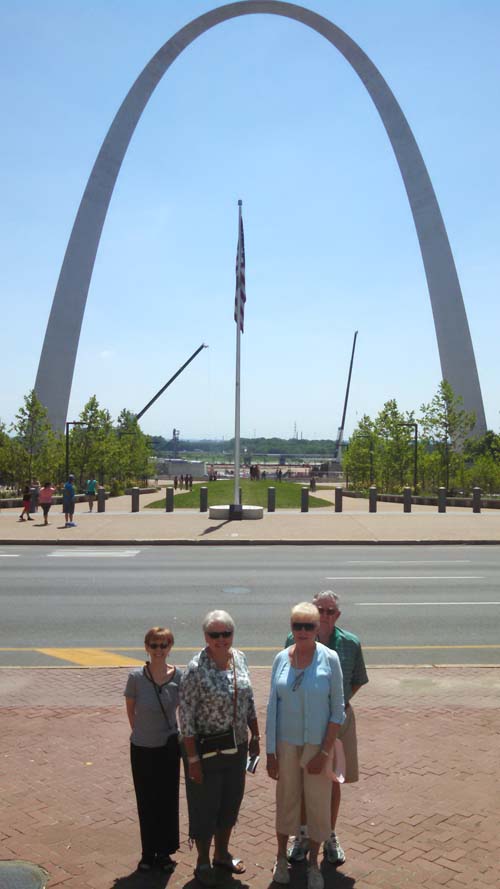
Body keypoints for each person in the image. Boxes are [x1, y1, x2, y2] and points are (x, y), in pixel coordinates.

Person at [286, 591, 368, 867]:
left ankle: (329, 835)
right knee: (303, 779)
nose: (324, 615)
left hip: (338, 723)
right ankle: (302, 833)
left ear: (338, 615)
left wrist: (340, 705)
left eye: (330, 611)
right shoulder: (294, 638)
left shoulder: (350, 644)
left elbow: (357, 680)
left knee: (333, 780)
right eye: (319, 609)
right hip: (304, 722)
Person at [179, 610, 260, 888]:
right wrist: (192, 759)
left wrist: (256, 734)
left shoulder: (240, 658)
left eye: (226, 633)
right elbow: (186, 718)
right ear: (205, 636)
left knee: (230, 802)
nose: (221, 639)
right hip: (206, 751)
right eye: (215, 634)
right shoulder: (194, 669)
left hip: (236, 747)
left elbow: (248, 699)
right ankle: (202, 860)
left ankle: (222, 854)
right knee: (205, 805)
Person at [267, 602, 344, 889]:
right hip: (287, 745)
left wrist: (324, 752)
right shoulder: (280, 659)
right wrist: (271, 752)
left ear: (317, 629)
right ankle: (281, 859)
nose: (302, 631)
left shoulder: (330, 659)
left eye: (308, 626)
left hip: (317, 747)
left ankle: (313, 864)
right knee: (286, 800)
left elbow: (337, 710)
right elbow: (272, 706)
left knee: (317, 804)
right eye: (297, 625)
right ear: (291, 628)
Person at [125, 626, 182, 873]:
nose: (159, 650)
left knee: (168, 800)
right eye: (154, 645)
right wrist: (142, 733)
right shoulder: (136, 677)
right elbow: (131, 710)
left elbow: (184, 709)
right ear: (147, 648)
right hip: (142, 748)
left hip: (168, 747)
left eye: (164, 645)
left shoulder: (178, 676)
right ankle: (148, 853)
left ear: (170, 648)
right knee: (146, 800)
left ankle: (165, 852)